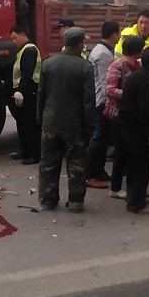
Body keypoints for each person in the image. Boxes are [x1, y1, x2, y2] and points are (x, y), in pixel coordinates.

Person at [37, 27, 96, 213]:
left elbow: (41, 96)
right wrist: (89, 128)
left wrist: (40, 120)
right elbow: (89, 101)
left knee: (48, 165)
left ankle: (48, 200)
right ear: (79, 44)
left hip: (51, 124)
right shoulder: (85, 67)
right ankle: (76, 202)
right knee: (76, 166)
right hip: (74, 126)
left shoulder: (48, 64)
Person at [115, 9, 149, 162]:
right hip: (131, 87)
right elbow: (118, 59)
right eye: (141, 22)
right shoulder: (126, 35)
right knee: (133, 123)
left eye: (147, 23)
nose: (143, 26)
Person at [117, 45, 149, 214]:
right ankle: (136, 203)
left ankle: (135, 196)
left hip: (127, 127)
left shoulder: (138, 76)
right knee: (142, 166)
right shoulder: (146, 80)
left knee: (134, 165)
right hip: (135, 129)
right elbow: (144, 110)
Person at [105, 34, 145, 200]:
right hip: (118, 114)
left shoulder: (138, 65)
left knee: (132, 153)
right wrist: (130, 94)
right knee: (121, 152)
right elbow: (110, 89)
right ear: (137, 50)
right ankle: (115, 188)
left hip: (132, 115)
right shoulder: (117, 65)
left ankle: (132, 187)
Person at [85, 21, 120, 188]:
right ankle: (91, 174)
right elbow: (106, 81)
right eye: (118, 33)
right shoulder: (104, 54)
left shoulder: (100, 49)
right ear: (114, 34)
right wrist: (109, 102)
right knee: (99, 138)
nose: (119, 36)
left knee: (103, 138)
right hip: (102, 101)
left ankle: (98, 171)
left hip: (98, 100)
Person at [8, 26, 42, 165]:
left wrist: (20, 91)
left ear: (23, 35)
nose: (13, 42)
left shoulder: (29, 50)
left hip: (29, 92)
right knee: (22, 123)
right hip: (24, 92)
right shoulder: (23, 51)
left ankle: (34, 155)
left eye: (15, 38)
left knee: (30, 125)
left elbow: (27, 74)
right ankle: (25, 151)